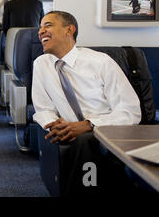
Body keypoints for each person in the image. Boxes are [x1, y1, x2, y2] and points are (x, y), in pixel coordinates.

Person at [32, 10, 141, 196]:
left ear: (69, 30)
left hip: (107, 130)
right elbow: (43, 109)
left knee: (85, 140)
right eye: (40, 27)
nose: (41, 31)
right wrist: (54, 125)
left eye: (48, 25)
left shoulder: (101, 62)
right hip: (70, 130)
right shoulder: (41, 64)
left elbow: (130, 111)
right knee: (80, 141)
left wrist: (89, 125)